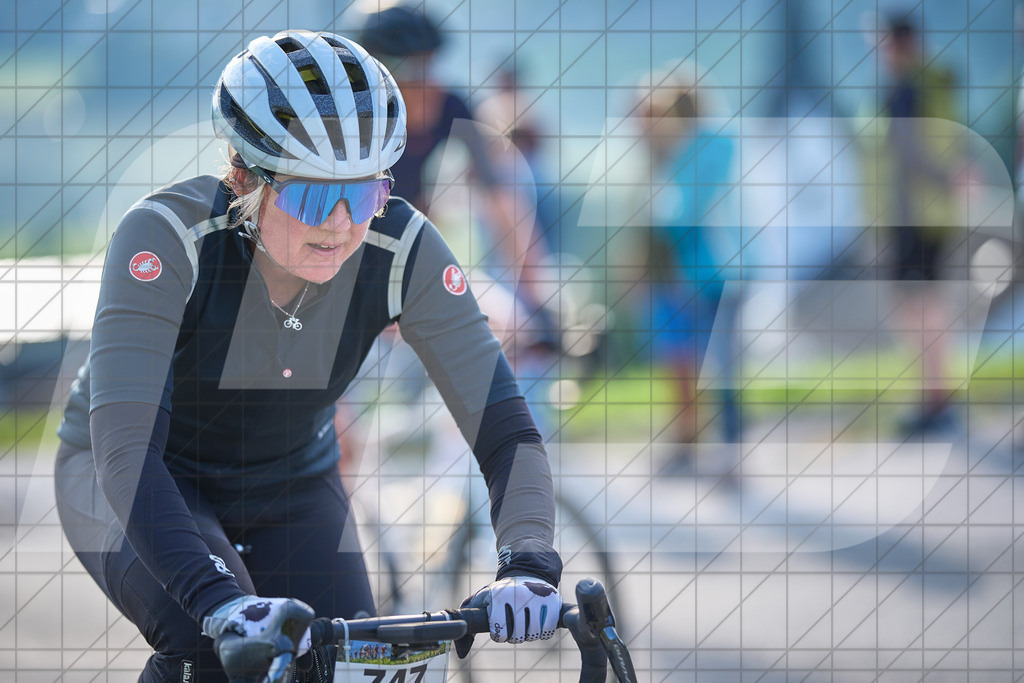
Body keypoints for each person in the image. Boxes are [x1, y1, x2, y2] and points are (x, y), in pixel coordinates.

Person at [54, 30, 562, 683]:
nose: (343, 223)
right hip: (141, 476)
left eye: (366, 192)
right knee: (209, 647)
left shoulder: (401, 245)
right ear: (245, 175)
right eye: (314, 196)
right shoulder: (166, 237)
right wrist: (220, 603)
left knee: (350, 662)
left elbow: (504, 427)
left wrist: (528, 560)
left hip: (290, 478)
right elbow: (126, 451)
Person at [633, 66, 742, 473]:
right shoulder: (707, 144)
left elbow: (682, 212)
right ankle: (710, 446)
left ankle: (725, 450)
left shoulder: (701, 146)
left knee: (713, 363)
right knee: (702, 361)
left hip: (712, 269)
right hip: (711, 268)